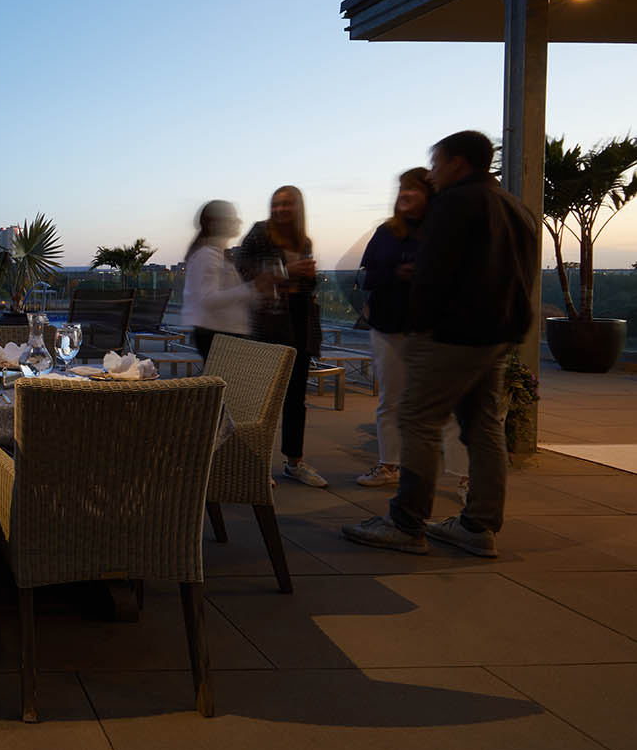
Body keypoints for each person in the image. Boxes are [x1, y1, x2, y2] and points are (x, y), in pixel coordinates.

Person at [343, 131, 539, 557]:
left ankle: (406, 522)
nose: (431, 174)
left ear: (458, 163)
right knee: (484, 426)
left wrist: (419, 327)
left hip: (453, 335)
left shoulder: (456, 203)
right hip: (498, 335)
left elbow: (435, 274)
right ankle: (477, 525)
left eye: (436, 163)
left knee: (417, 420)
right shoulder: (515, 208)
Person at [235, 185, 328, 488]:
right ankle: (255, 462)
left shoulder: (305, 240)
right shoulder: (261, 233)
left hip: (300, 323)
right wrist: (286, 271)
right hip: (268, 324)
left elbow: (306, 287)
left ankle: (294, 462)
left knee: (295, 398)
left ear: (298, 207)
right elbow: (242, 268)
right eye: (276, 204)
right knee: (261, 398)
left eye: (287, 204)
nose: (280, 209)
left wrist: (308, 277)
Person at [355, 168, 432, 487]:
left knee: (438, 404)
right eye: (402, 188)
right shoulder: (386, 232)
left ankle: (462, 476)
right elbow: (366, 278)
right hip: (388, 327)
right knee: (391, 399)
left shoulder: (442, 231)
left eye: (413, 189)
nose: (405, 194)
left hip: (430, 328)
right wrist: (395, 274)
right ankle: (389, 466)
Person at [181, 200, 268, 361]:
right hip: (219, 334)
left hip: (224, 332)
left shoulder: (217, 254)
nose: (238, 222)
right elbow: (208, 299)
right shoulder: (207, 255)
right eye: (232, 218)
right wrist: (252, 287)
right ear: (217, 223)